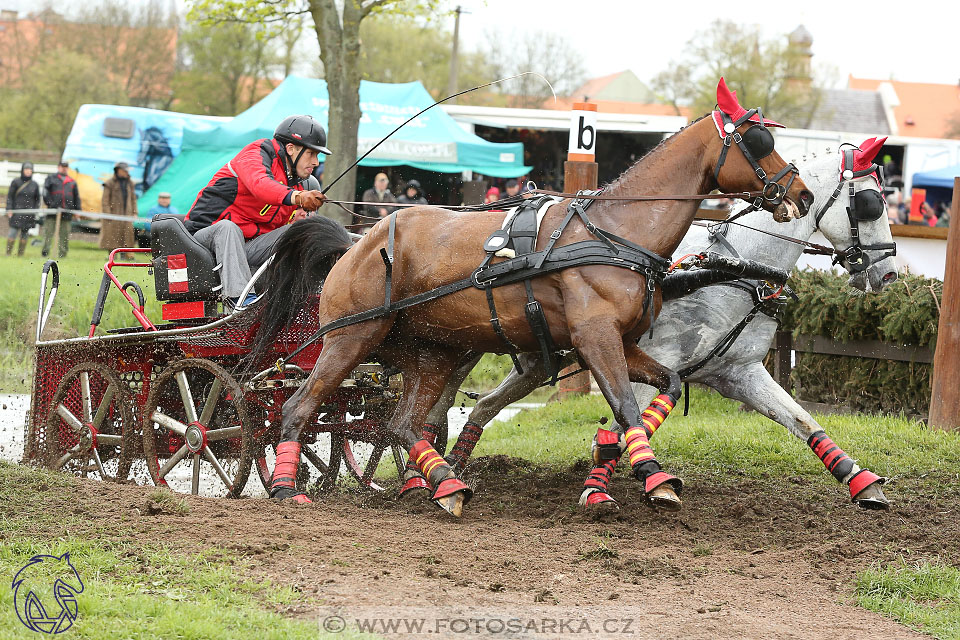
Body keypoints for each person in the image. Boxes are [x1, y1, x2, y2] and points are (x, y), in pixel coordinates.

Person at [183, 114, 329, 308]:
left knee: (306, 230)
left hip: (246, 247)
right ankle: (241, 304)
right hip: (201, 240)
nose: (316, 162)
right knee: (227, 228)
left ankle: (312, 297)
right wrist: (297, 197)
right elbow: (260, 185)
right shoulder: (257, 152)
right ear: (291, 149)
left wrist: (299, 220)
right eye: (311, 154)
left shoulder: (301, 183)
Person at [41, 161, 82, 258]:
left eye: (66, 167)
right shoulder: (51, 179)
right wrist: (51, 205)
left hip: (66, 213)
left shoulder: (72, 182)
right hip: (52, 212)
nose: (64, 168)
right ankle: (45, 253)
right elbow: (45, 193)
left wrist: (77, 210)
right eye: (62, 166)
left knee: (64, 236)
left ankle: (62, 255)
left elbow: (76, 197)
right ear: (58, 167)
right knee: (48, 234)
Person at [100, 162, 138, 252]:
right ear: (118, 171)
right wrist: (108, 214)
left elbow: (133, 199)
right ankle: (111, 255)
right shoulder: (109, 183)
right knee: (112, 235)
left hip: (127, 214)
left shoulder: (130, 183)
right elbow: (105, 201)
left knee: (127, 235)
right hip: (113, 214)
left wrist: (135, 212)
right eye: (125, 171)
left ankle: (125, 255)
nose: (126, 173)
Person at [6, 162, 41, 256]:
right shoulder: (16, 182)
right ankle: (8, 253)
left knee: (24, 235)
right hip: (17, 212)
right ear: (22, 170)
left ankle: (20, 255)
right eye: (26, 169)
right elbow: (10, 197)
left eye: (30, 170)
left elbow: (37, 199)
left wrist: (35, 210)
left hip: (28, 213)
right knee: (12, 233)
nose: (28, 171)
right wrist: (9, 209)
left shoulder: (34, 185)